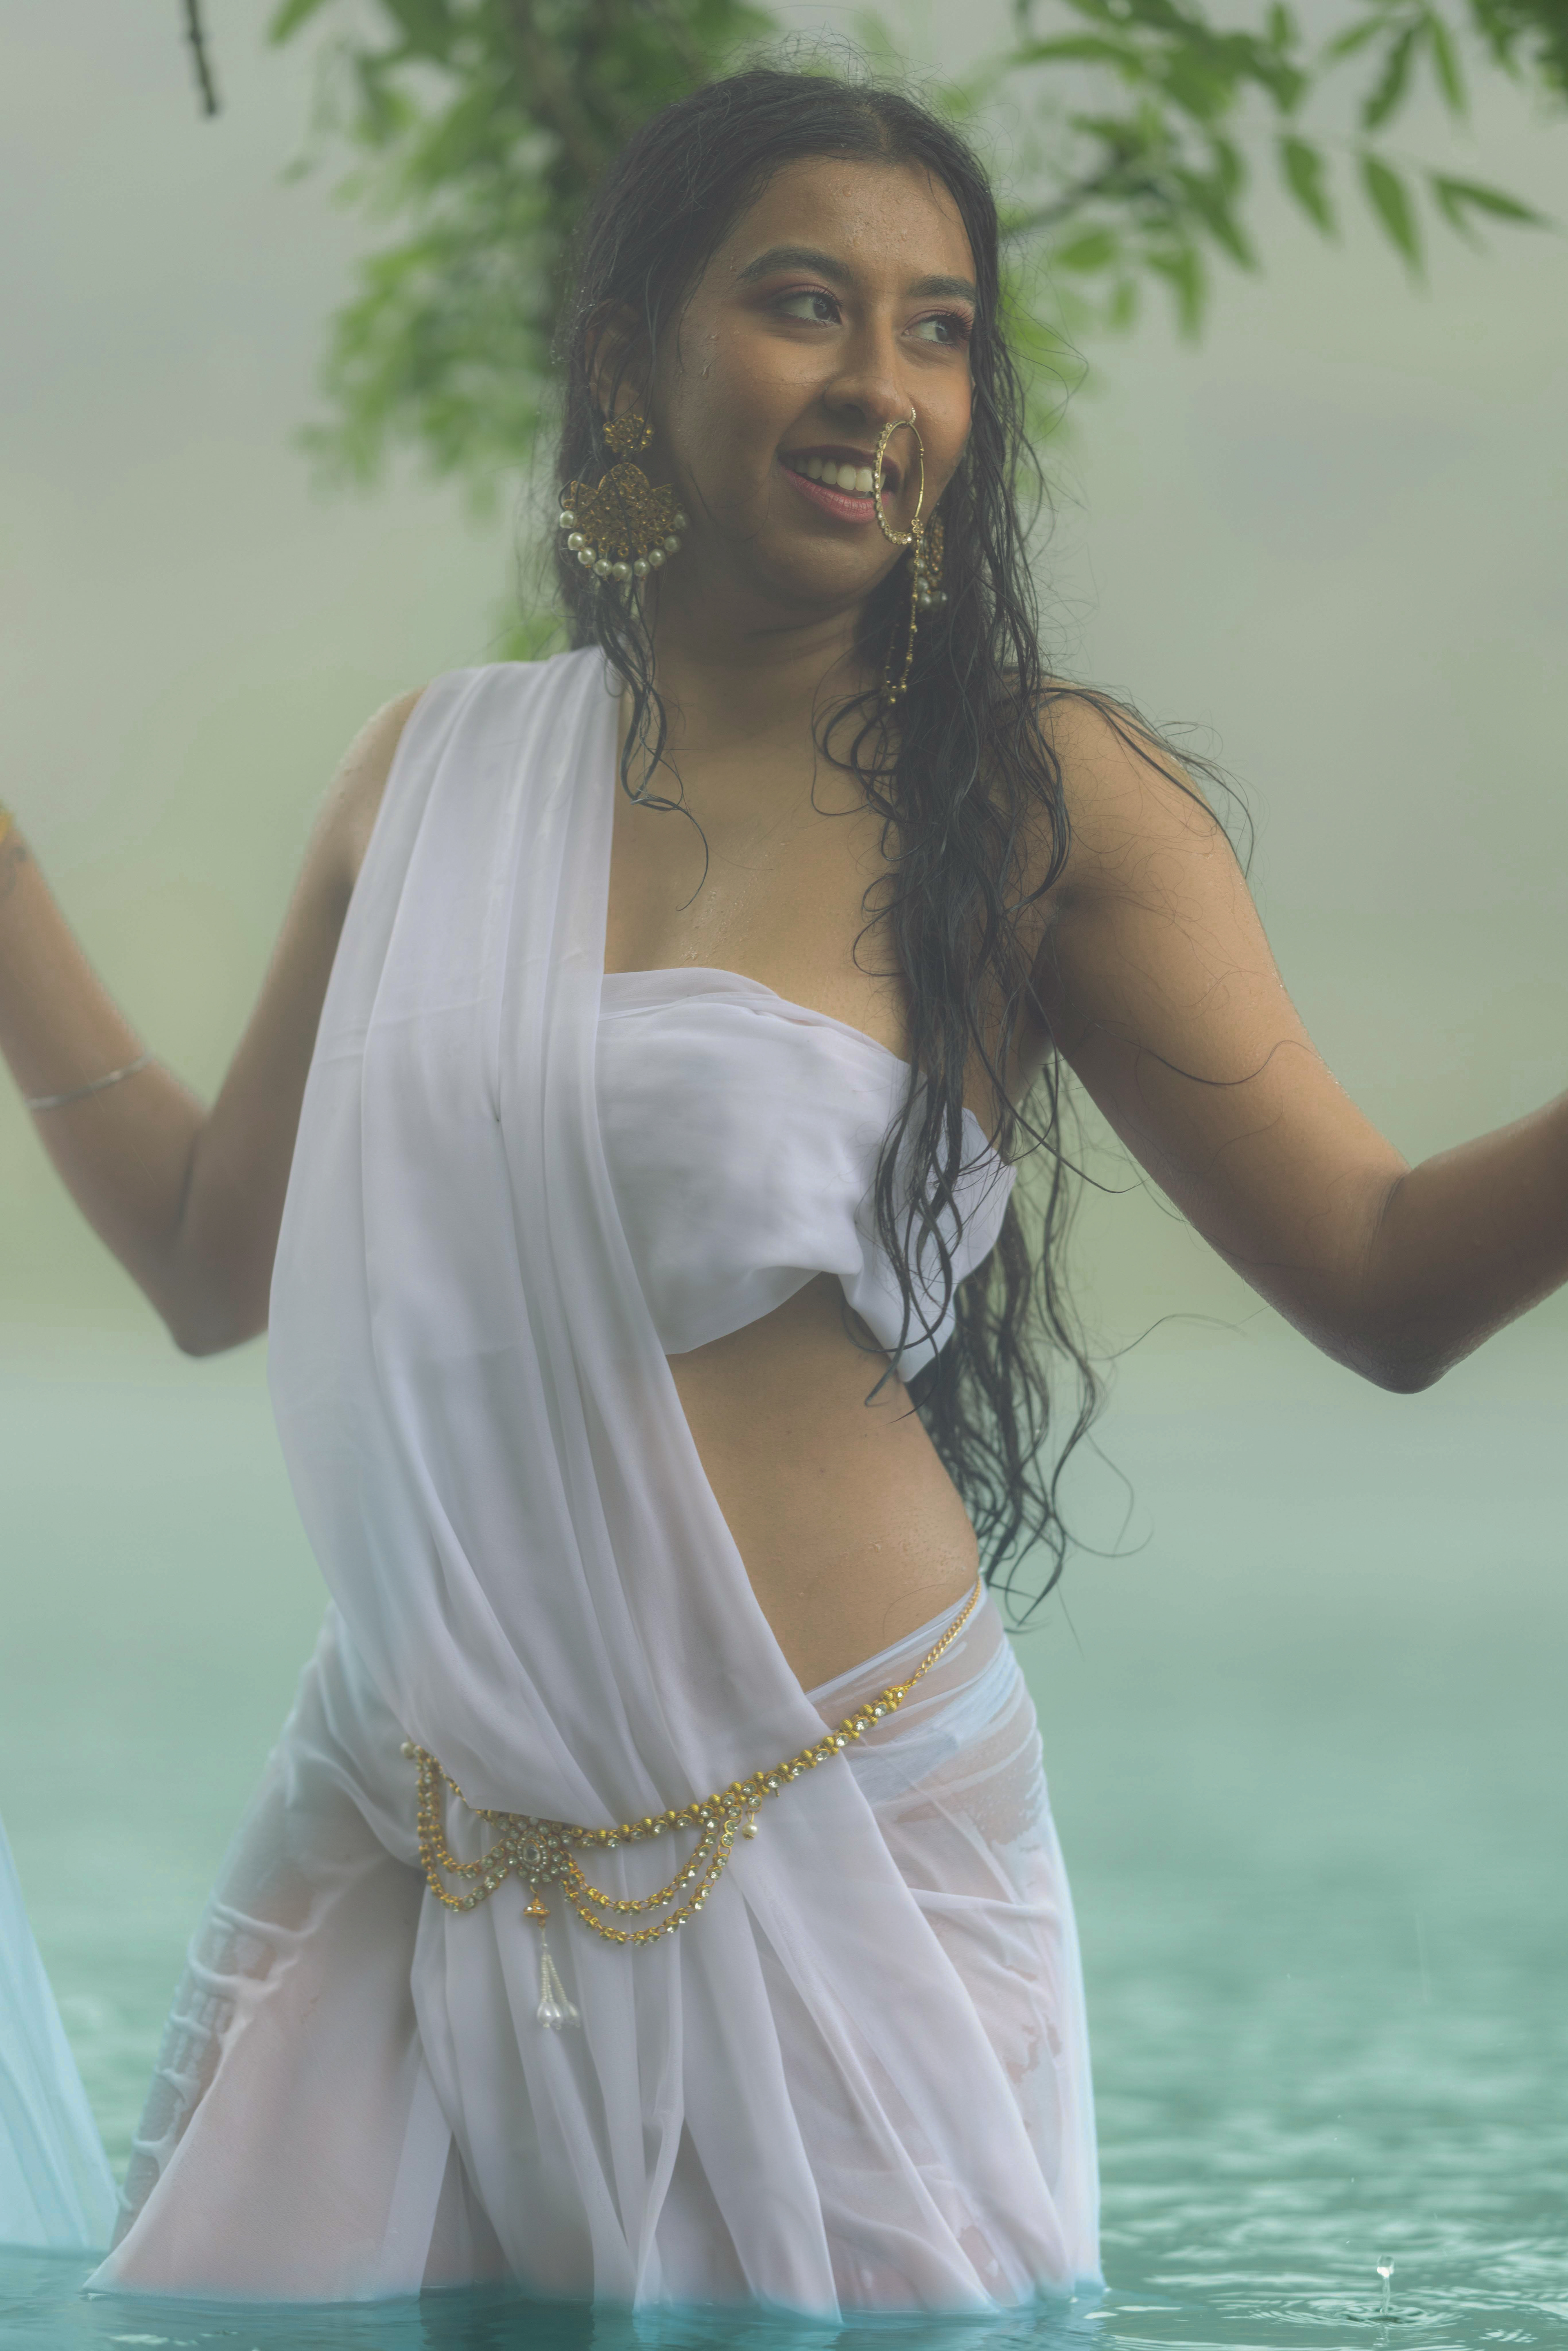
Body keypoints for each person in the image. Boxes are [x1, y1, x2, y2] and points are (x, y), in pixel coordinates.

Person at [0, 63, 1563, 2320]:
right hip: (400, 1828)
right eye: (808, 304)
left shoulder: (1033, 796)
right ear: (630, 358)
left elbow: (1384, 1274)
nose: (881, 385)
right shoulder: (428, 774)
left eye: (942, 332)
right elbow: (197, 1260)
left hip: (836, 1842)